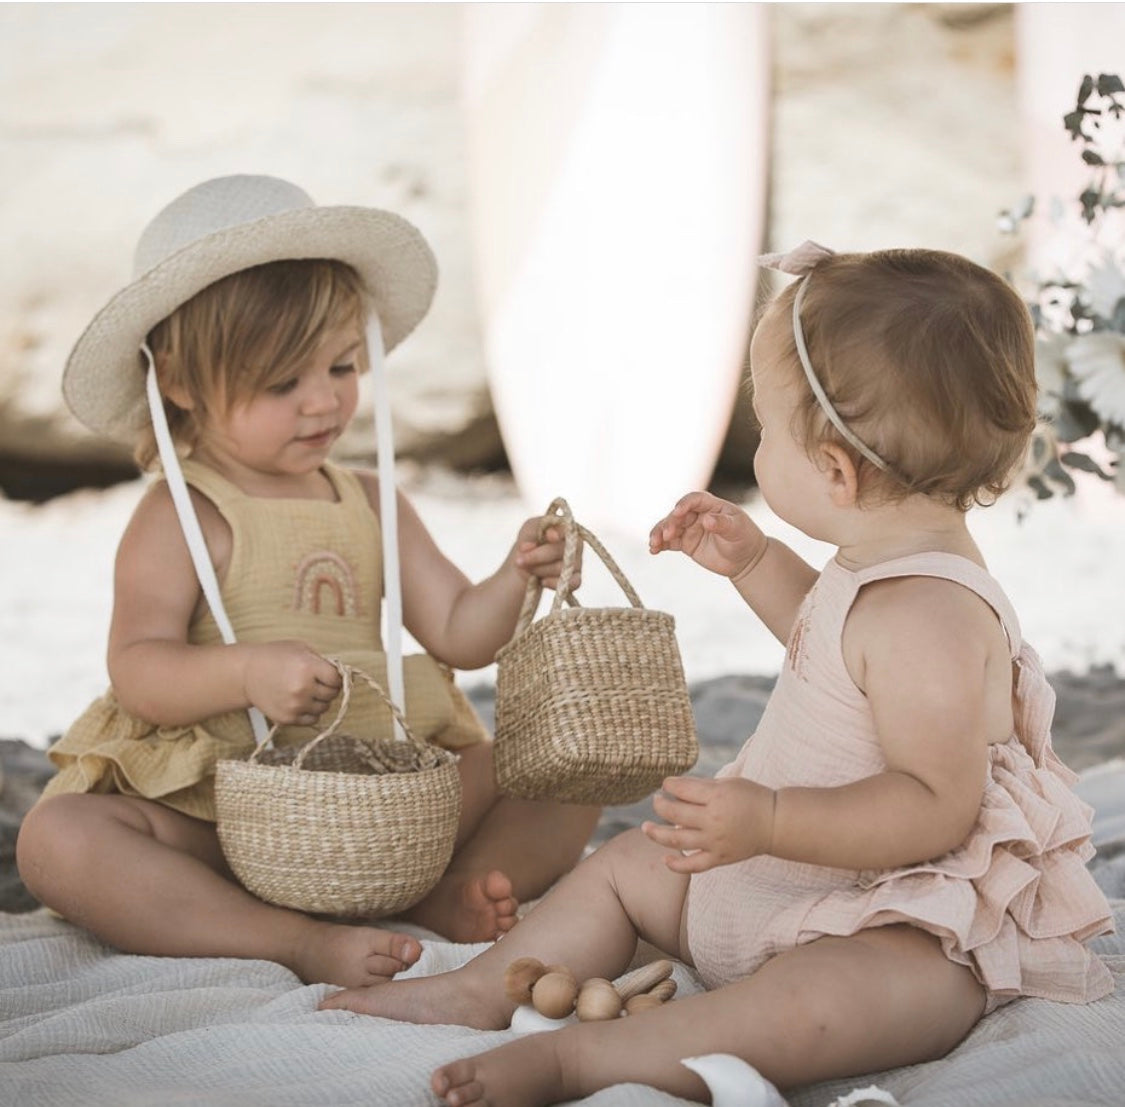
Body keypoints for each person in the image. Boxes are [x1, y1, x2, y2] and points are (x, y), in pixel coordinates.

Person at [318, 243, 1115, 1106]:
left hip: (899, 914)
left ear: (835, 473)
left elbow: (935, 804)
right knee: (626, 866)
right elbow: (832, 646)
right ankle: (482, 987)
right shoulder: (880, 569)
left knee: (814, 1005)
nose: (760, 448)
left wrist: (770, 816)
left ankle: (584, 1062)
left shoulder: (934, 619)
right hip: (785, 873)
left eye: (767, 431)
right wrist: (755, 561)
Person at [16, 174, 600, 991]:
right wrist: (245, 671)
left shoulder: (369, 498)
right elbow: (138, 667)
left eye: (341, 364)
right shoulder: (183, 513)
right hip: (225, 808)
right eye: (282, 382)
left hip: (387, 803)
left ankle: (444, 894)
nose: (323, 400)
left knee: (564, 764)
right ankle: (282, 937)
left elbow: (462, 632)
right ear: (182, 384)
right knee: (60, 837)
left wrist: (516, 574)